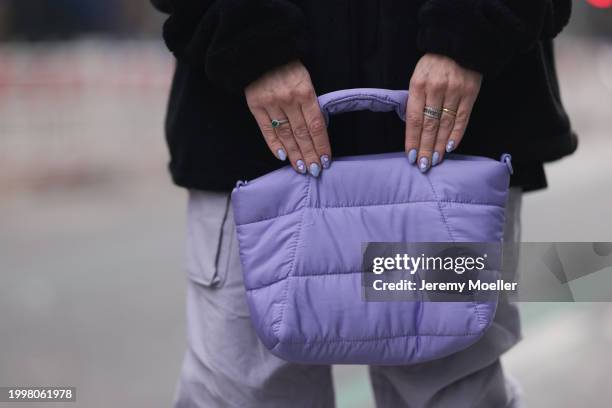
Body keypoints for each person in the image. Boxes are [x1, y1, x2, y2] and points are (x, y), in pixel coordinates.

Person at [151, 1, 576, 407]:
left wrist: (472, 26)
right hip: (260, 134)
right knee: (247, 390)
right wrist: (246, 35)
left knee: (453, 387)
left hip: (454, 127)